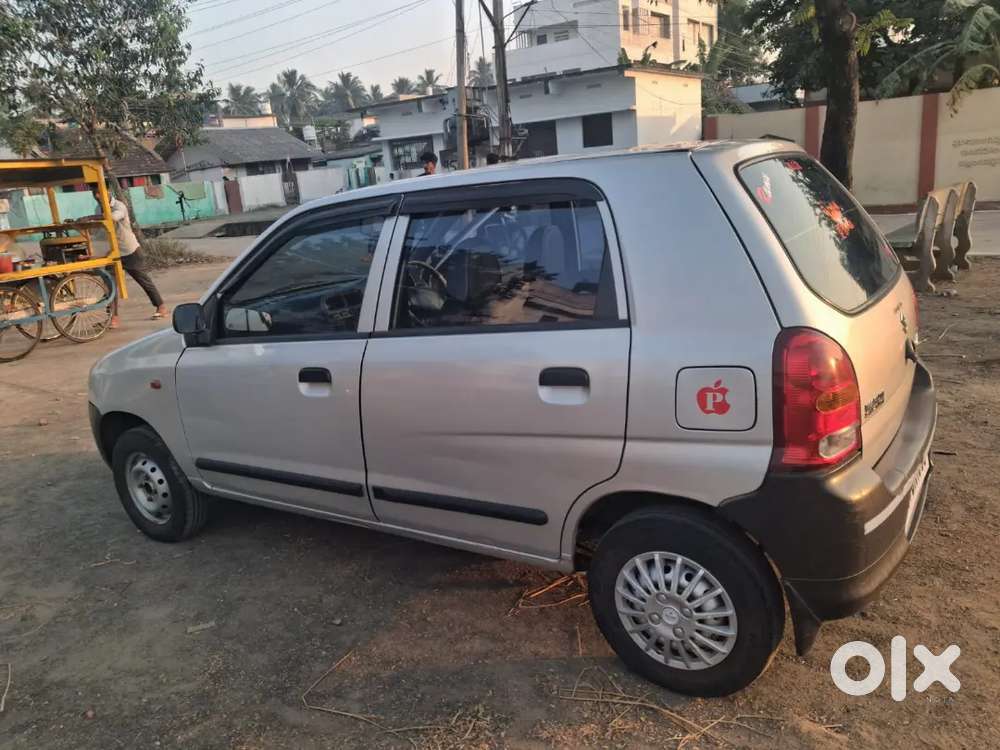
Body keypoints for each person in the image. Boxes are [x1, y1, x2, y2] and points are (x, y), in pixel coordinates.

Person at [84, 184, 167, 326]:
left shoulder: (119, 206)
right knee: (110, 286)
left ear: (107, 191)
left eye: (99, 192)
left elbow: (112, 218)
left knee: (143, 280)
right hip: (112, 253)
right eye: (94, 193)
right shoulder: (99, 209)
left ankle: (161, 306)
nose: (97, 196)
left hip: (129, 251)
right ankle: (113, 317)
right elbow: (100, 231)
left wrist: (92, 217)